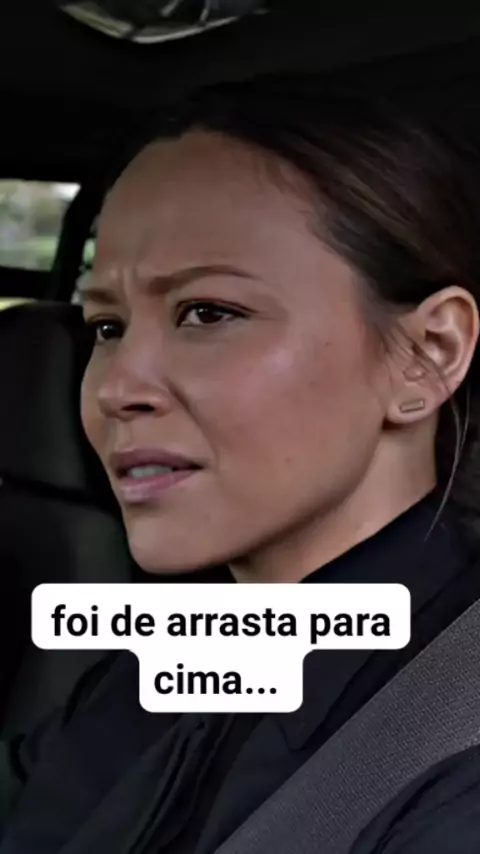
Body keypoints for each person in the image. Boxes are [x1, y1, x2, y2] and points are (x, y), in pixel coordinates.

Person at [1, 74, 480, 853]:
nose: (115, 387)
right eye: (108, 326)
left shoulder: (451, 739)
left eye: (209, 312)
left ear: (428, 354)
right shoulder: (166, 658)